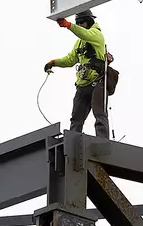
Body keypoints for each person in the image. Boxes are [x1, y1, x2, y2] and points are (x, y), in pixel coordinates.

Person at [44, 10, 113, 138]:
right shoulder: (79, 43)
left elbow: (85, 34)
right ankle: (73, 143)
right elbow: (70, 60)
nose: (80, 25)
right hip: (83, 84)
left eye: (83, 22)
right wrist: (54, 62)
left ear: (89, 21)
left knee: (100, 115)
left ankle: (103, 143)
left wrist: (69, 25)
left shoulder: (96, 35)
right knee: (76, 118)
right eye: (78, 23)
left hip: (98, 82)